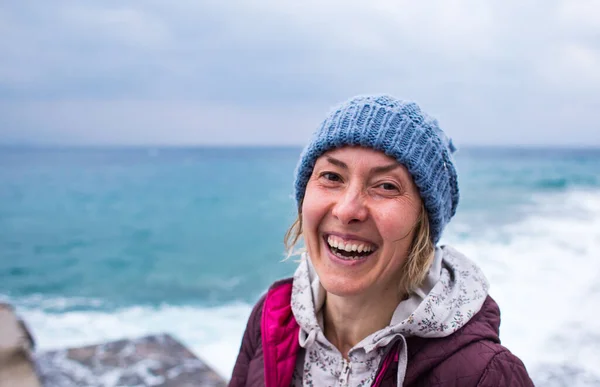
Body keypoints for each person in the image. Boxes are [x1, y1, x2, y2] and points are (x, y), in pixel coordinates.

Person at [229, 95, 534, 386]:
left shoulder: (484, 375)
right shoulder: (272, 318)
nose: (347, 210)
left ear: (422, 225)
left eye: (386, 186)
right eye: (332, 177)